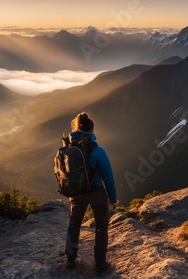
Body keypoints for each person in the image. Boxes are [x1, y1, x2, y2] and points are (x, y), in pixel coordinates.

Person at [65, 112, 118, 274]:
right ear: (92, 130)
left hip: (76, 193)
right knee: (101, 227)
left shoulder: (69, 147)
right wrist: (113, 198)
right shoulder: (98, 150)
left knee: (74, 224)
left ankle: (70, 259)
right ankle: (100, 264)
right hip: (96, 193)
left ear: (77, 127)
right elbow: (108, 177)